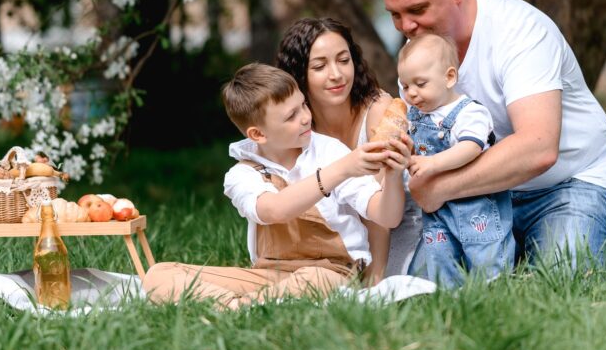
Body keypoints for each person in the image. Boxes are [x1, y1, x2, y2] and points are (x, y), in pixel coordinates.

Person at [382, 0, 606, 269]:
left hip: (562, 183)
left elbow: (539, 147)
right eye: (396, 15)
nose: (407, 27)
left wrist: (441, 188)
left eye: (418, 10)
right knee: (425, 288)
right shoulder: (418, 55)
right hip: (476, 195)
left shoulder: (520, 31)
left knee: (561, 289)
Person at [142, 64, 410, 308]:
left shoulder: (329, 152)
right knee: (158, 276)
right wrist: (342, 169)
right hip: (268, 276)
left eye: (303, 105)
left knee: (315, 279)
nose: (305, 117)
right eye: (291, 115)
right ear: (258, 134)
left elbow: (387, 216)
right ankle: (241, 306)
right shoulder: (242, 174)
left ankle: (238, 307)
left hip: (333, 273)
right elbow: (274, 210)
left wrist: (394, 175)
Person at [276, 17, 423, 283]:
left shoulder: (380, 111)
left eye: (344, 60)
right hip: (336, 241)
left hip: (394, 229)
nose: (336, 74)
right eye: (320, 66)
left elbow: (377, 213)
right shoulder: (299, 129)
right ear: (299, 73)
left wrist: (373, 285)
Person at [398, 33, 515, 287]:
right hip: (438, 209)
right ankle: (449, 298)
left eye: (420, 84)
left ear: (449, 77)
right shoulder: (416, 115)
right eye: (406, 86)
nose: (412, 94)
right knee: (440, 256)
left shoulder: (469, 112)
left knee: (485, 254)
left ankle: (496, 294)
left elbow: (470, 147)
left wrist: (432, 164)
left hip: (477, 204)